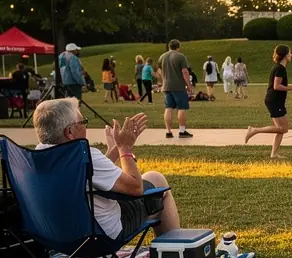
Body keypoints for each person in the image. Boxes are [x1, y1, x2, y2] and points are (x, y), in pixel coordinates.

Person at [32, 98, 181, 239]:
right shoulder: (85, 156)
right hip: (100, 235)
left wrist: (113, 151)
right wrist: (125, 149)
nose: (85, 126)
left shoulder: (35, 157)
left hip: (58, 233)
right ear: (69, 132)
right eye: (83, 122)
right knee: (157, 180)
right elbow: (136, 188)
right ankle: (176, 254)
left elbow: (87, 176)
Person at [245, 44, 292, 158]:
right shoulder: (280, 68)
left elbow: (280, 85)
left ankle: (274, 153)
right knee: (283, 128)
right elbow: (276, 86)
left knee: (281, 129)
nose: (291, 55)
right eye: (290, 53)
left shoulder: (279, 67)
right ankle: (254, 130)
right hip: (274, 101)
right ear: (285, 56)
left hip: (275, 101)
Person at [157, 39, 193, 139]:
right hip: (178, 86)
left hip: (166, 86)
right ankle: (182, 131)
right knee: (181, 108)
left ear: (169, 47)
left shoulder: (162, 56)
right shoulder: (181, 57)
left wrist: (163, 79)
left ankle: (168, 131)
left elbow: (159, 70)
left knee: (168, 108)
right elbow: (185, 72)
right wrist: (189, 86)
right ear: (178, 47)